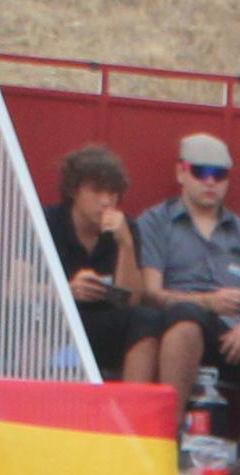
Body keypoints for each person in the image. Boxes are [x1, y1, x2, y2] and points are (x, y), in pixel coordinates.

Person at [140, 132, 240, 416]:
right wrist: (208, 302)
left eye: (219, 174)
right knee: (187, 321)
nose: (210, 181)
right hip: (180, 321)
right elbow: (151, 293)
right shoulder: (155, 222)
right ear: (181, 172)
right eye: (200, 172)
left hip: (234, 334)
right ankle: (172, 427)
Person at [44, 144, 158, 386]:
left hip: (104, 320)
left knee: (145, 320)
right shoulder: (48, 222)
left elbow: (131, 299)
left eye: (113, 193)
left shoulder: (126, 227)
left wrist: (125, 244)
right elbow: (15, 287)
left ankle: (132, 414)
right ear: (74, 191)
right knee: (31, 320)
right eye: (97, 191)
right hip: (55, 317)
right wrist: (67, 289)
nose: (106, 201)